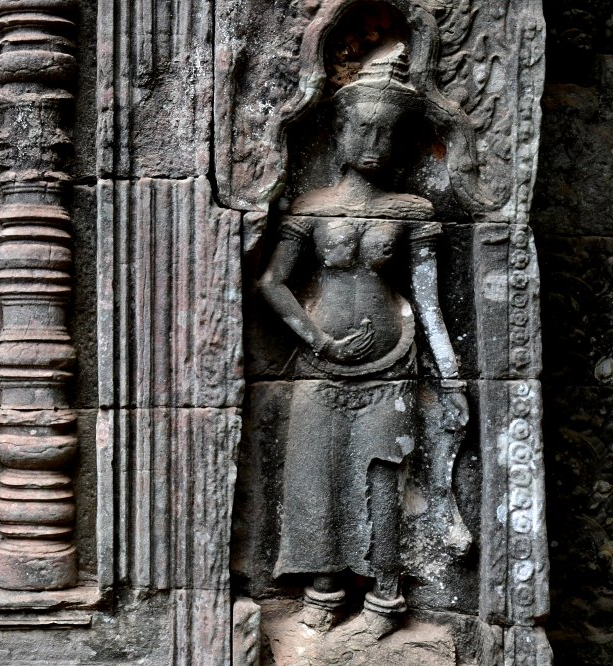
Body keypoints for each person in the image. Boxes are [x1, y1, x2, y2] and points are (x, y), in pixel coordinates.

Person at [258, 43, 468, 636]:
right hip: (320, 366)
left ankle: (384, 598)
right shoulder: (312, 206)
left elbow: (427, 301)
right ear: (340, 132)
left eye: (388, 133)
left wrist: (451, 378)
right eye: (364, 129)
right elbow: (271, 282)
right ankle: (323, 591)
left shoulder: (411, 210)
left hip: (390, 365)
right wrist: (320, 341)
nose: (375, 143)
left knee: (384, 482)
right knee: (315, 477)